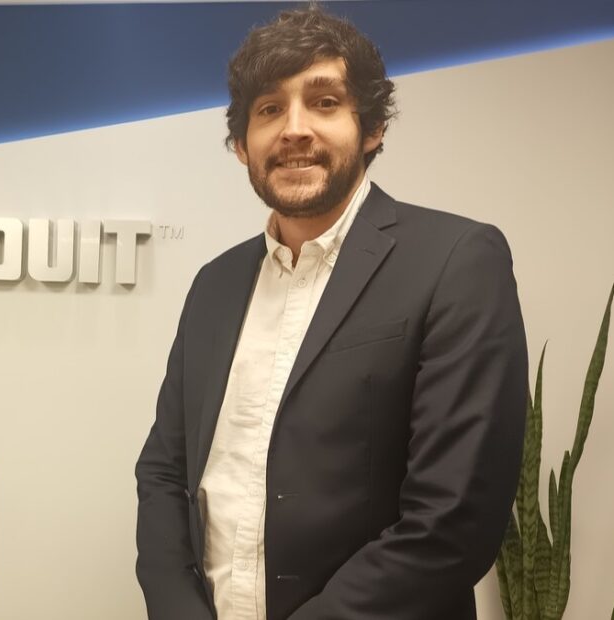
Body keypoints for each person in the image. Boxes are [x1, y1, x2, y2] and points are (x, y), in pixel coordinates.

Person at [135, 6, 528, 619]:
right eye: (269, 109)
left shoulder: (456, 260)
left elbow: (453, 518)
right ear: (241, 145)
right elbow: (164, 470)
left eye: (323, 102)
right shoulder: (214, 284)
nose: (294, 130)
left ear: (371, 127)